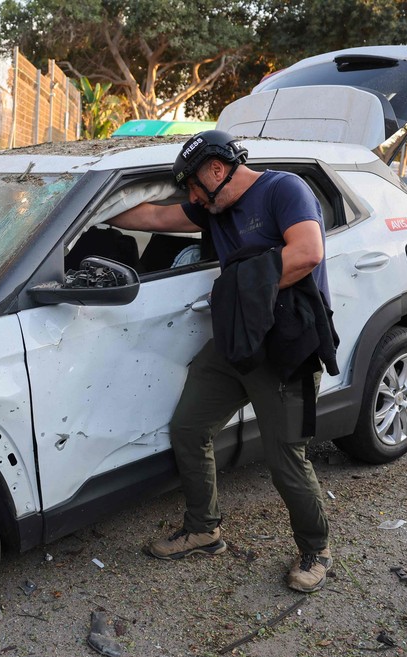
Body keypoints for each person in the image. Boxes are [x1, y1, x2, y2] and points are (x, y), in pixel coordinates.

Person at [110, 130, 335, 593]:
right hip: (237, 341)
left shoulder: (283, 189)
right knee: (190, 428)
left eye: (193, 185)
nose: (191, 197)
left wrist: (238, 288)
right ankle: (204, 528)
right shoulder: (211, 207)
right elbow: (152, 215)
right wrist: (80, 205)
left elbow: (308, 253)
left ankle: (316, 549)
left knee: (285, 458)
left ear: (217, 169)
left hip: (286, 344)